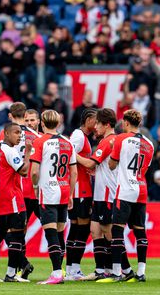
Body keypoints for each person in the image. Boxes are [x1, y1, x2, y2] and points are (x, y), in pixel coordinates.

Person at [99, 109, 154, 283]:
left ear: (126, 123)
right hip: (141, 189)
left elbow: (113, 165)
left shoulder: (121, 139)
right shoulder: (149, 144)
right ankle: (141, 272)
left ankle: (117, 272)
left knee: (117, 230)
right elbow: (145, 169)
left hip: (125, 190)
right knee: (140, 231)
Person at [0, 122, 32, 283]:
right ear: (6, 134)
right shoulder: (10, 151)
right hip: (13, 199)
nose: (19, 136)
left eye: (20, 134)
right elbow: (23, 171)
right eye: (16, 133)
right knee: (17, 237)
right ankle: (10, 274)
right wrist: (28, 152)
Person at [30, 110, 78, 285]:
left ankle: (57, 273)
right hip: (64, 190)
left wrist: (35, 186)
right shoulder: (68, 142)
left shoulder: (39, 141)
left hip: (48, 191)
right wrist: (71, 193)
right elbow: (74, 172)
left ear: (42, 122)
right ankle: (60, 270)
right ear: (58, 123)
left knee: (51, 234)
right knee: (59, 233)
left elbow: (34, 171)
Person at [0, 102, 40, 279]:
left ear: (10, 115)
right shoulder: (37, 136)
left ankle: (17, 266)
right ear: (25, 115)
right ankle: (59, 270)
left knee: (12, 232)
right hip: (36, 190)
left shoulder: (5, 133)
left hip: (15, 190)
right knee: (54, 228)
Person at [75, 108, 118, 280]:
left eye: (98, 124)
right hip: (99, 193)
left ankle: (118, 269)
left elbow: (90, 163)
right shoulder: (105, 141)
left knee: (109, 233)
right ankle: (101, 270)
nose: (95, 127)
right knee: (95, 231)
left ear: (106, 124)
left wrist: (71, 152)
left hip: (108, 193)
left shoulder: (109, 141)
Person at [65, 108, 97, 280]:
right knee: (83, 229)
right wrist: (87, 164)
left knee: (76, 228)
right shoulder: (78, 136)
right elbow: (68, 153)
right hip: (80, 188)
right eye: (95, 120)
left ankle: (70, 268)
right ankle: (74, 268)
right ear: (88, 119)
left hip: (79, 187)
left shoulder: (82, 136)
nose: (97, 123)